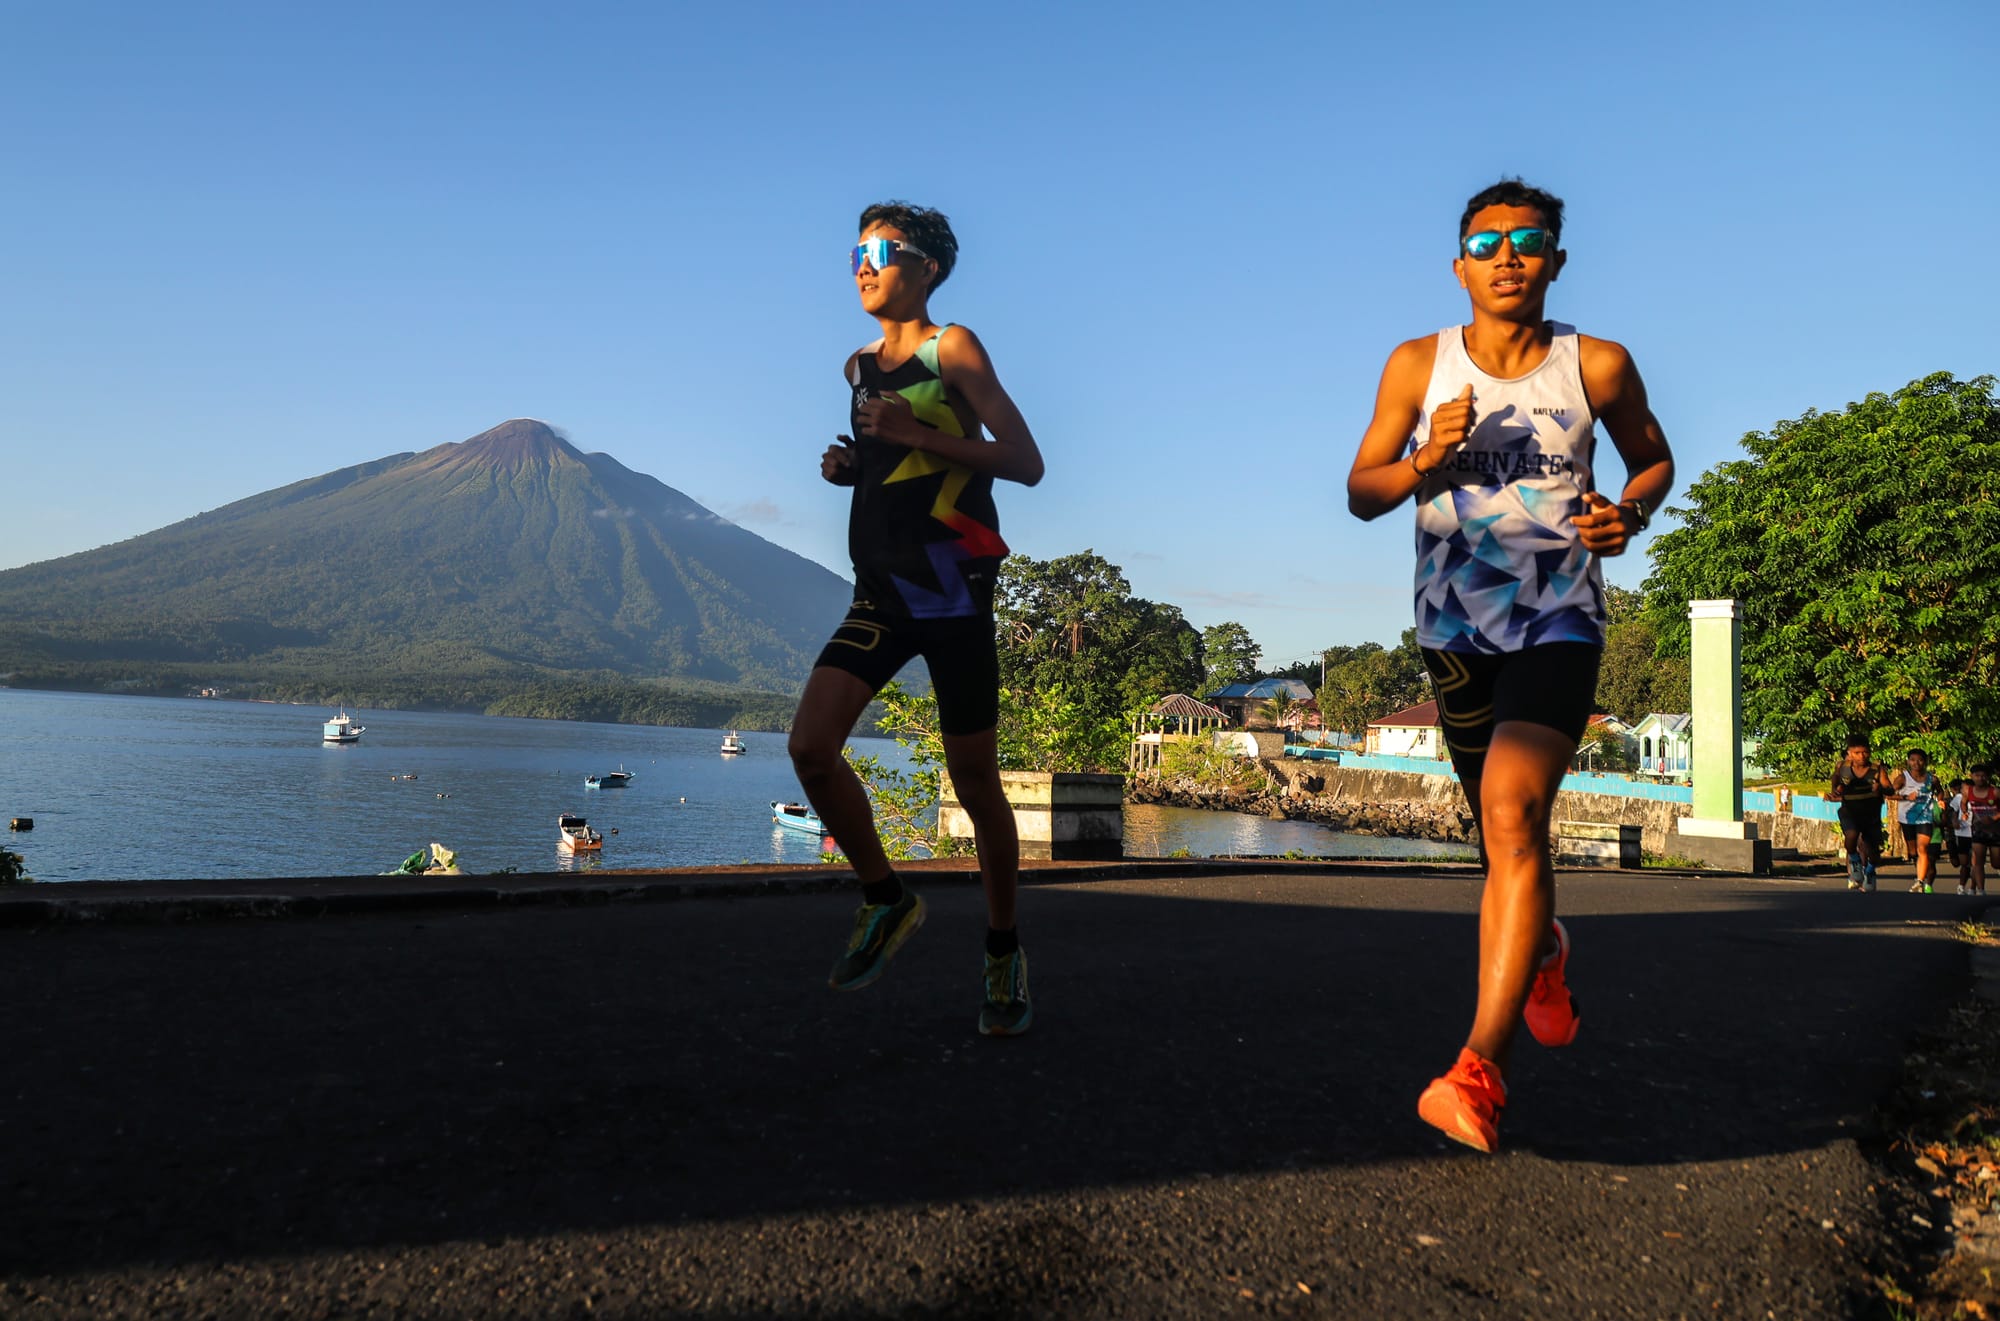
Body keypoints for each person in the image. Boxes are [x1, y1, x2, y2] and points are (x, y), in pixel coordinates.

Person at [1346, 179, 1675, 1152]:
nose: (1504, 254)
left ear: (1554, 262)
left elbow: (1650, 457)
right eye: (1483, 241)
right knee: (1499, 846)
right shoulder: (1417, 365)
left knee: (1510, 811)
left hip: (1557, 619)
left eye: (1526, 240)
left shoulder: (1596, 365)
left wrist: (1630, 509)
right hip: (1451, 631)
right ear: (1458, 264)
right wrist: (1425, 461)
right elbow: (1363, 492)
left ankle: (1476, 1067)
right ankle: (1541, 955)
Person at [787, 201, 1045, 1036]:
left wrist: (911, 435)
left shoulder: (953, 348)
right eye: (855, 251)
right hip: (880, 593)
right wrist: (853, 465)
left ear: (927, 267)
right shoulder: (857, 366)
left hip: (956, 591)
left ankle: (1003, 949)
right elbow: (889, 461)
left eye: (883, 251)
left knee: (975, 785)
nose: (864, 264)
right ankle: (886, 897)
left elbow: (1026, 461)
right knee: (809, 748)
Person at [1827, 738, 1888, 891]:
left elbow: (1890, 789)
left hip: (1870, 812)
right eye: (1856, 753)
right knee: (1851, 836)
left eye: (1864, 753)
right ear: (1849, 753)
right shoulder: (1842, 767)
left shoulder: (1877, 769)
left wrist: (1879, 787)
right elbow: (1836, 779)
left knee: (1872, 850)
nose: (1860, 756)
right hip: (1850, 810)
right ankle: (1854, 861)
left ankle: (1870, 870)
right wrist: (1835, 790)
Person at [1888, 749, 1942, 893]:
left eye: (1919, 760)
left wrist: (1941, 800)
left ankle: (1919, 880)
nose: (1916, 763)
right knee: (1913, 852)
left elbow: (1940, 791)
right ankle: (1921, 871)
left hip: (1925, 817)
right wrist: (1906, 797)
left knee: (1922, 848)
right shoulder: (1903, 778)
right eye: (1912, 760)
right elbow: (1889, 795)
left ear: (1925, 762)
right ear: (1908, 761)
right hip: (1907, 818)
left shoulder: (1933, 779)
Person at [1963, 764, 1998, 897]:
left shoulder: (1995, 792)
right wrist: (1965, 811)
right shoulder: (1968, 791)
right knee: (1978, 861)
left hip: (1995, 831)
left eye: (1983, 776)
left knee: (1996, 863)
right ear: (1972, 776)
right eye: (1977, 775)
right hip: (1978, 830)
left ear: (1988, 777)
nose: (1980, 778)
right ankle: (1981, 890)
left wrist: (1994, 817)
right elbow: (1964, 802)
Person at [1945, 777, 1973, 895]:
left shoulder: (1979, 797)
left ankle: (1974, 887)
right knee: (1964, 863)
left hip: (1977, 833)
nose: (1963, 790)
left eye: (1965, 788)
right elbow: (1952, 811)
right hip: (1962, 833)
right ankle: (1961, 886)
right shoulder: (1958, 798)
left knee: (1976, 863)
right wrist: (1954, 820)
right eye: (1962, 788)